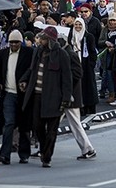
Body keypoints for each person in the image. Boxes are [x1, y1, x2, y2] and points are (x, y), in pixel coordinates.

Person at [19, 27, 72, 168]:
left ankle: (47, 157)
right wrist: (24, 80)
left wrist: (66, 99)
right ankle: (43, 149)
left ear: (49, 40)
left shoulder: (62, 55)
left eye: (43, 39)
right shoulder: (38, 52)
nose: (40, 41)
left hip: (54, 98)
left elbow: (67, 79)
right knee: (37, 126)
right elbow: (32, 69)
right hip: (37, 95)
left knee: (52, 130)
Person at [0, 30, 33, 165]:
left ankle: (24, 153)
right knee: (9, 123)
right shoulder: (3, 54)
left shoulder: (28, 53)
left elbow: (32, 69)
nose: (14, 45)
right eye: (11, 43)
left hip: (23, 94)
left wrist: (25, 80)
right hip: (8, 93)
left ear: (20, 42)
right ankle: (5, 154)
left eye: (16, 42)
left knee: (24, 125)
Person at [57, 32, 97, 160]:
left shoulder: (70, 54)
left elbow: (77, 74)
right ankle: (87, 148)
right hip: (66, 95)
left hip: (70, 96)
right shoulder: (62, 54)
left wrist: (67, 87)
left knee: (72, 124)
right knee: (57, 124)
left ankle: (88, 148)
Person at [70, 18, 98, 115]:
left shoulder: (88, 37)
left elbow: (93, 52)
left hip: (86, 66)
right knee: (78, 88)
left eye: (80, 25)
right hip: (75, 66)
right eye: (76, 25)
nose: (78, 27)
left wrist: (91, 64)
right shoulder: (71, 36)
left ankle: (89, 107)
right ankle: (80, 108)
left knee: (88, 87)